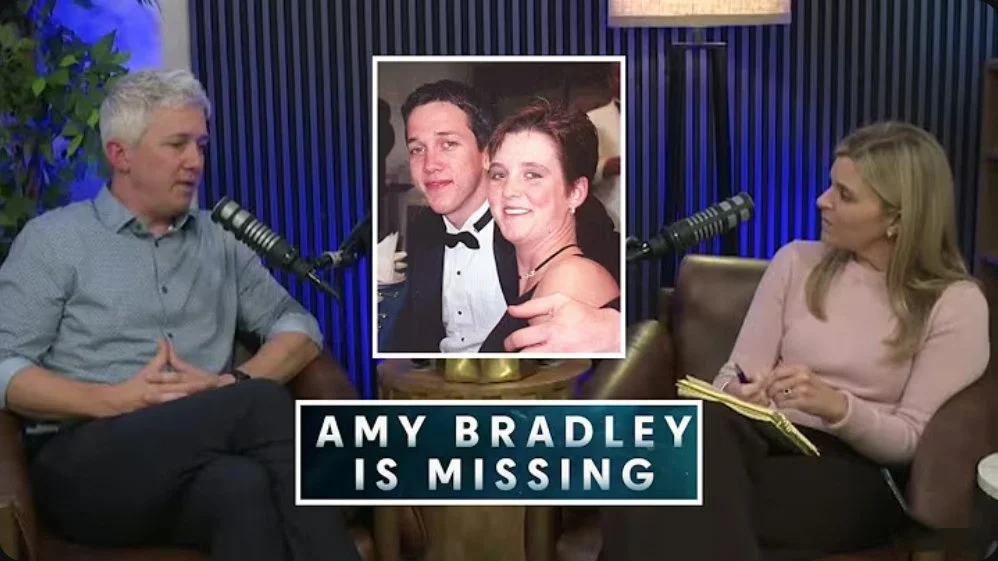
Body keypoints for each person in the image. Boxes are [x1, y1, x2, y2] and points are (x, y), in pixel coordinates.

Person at [0, 69, 360, 561]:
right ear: (120, 155)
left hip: (195, 459)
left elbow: (297, 324)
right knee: (260, 404)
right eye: (176, 145)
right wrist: (115, 400)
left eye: (201, 145)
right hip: (82, 464)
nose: (195, 161)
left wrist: (228, 383)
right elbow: (5, 369)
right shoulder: (54, 241)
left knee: (242, 488)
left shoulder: (220, 239)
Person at [599, 121, 990, 561]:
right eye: (830, 186)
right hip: (755, 445)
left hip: (856, 473)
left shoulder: (955, 303)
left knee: (655, 486)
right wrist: (740, 393)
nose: (822, 201)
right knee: (692, 431)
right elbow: (736, 371)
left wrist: (836, 406)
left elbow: (912, 439)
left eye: (845, 195)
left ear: (897, 219)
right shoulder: (796, 261)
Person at [387, 79, 619, 354]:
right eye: (417, 149)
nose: (430, 165)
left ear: (485, 153)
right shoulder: (423, 228)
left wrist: (616, 327)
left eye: (448, 144)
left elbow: (629, 278)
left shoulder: (541, 218)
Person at [478, 100, 619, 352]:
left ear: (575, 192)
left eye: (533, 175)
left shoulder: (571, 280)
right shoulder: (516, 265)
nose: (509, 191)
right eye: (499, 174)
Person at [586, 62, 622, 231]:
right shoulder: (592, 119)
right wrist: (606, 167)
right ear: (610, 80)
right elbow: (577, 170)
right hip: (611, 217)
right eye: (618, 75)